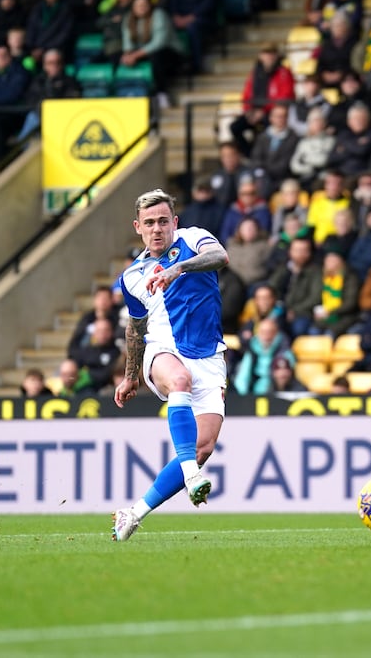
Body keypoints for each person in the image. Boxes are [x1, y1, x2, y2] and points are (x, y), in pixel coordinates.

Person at [111, 189, 230, 542]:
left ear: (174, 222)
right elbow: (136, 326)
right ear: (138, 227)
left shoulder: (194, 239)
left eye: (163, 221)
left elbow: (220, 256)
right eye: (149, 223)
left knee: (203, 447)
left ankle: (132, 514)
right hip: (164, 351)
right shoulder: (133, 277)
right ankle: (192, 477)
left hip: (209, 356)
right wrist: (131, 376)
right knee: (179, 379)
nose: (157, 229)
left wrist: (178, 269)